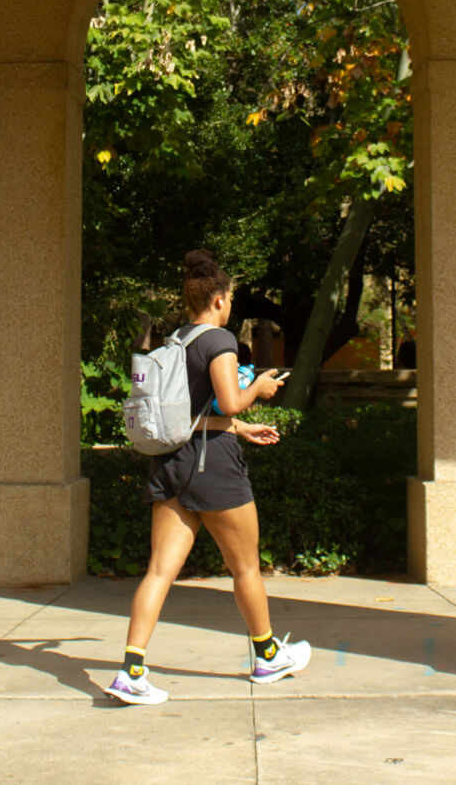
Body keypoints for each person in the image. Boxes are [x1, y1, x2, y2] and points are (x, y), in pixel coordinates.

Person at [105, 250, 311, 705]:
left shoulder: (176, 339)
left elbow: (195, 412)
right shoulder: (219, 341)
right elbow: (230, 399)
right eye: (231, 298)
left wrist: (239, 428)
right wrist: (260, 388)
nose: (231, 305)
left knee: (160, 570)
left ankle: (131, 672)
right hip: (213, 466)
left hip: (173, 462)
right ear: (218, 299)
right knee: (245, 567)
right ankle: (267, 656)